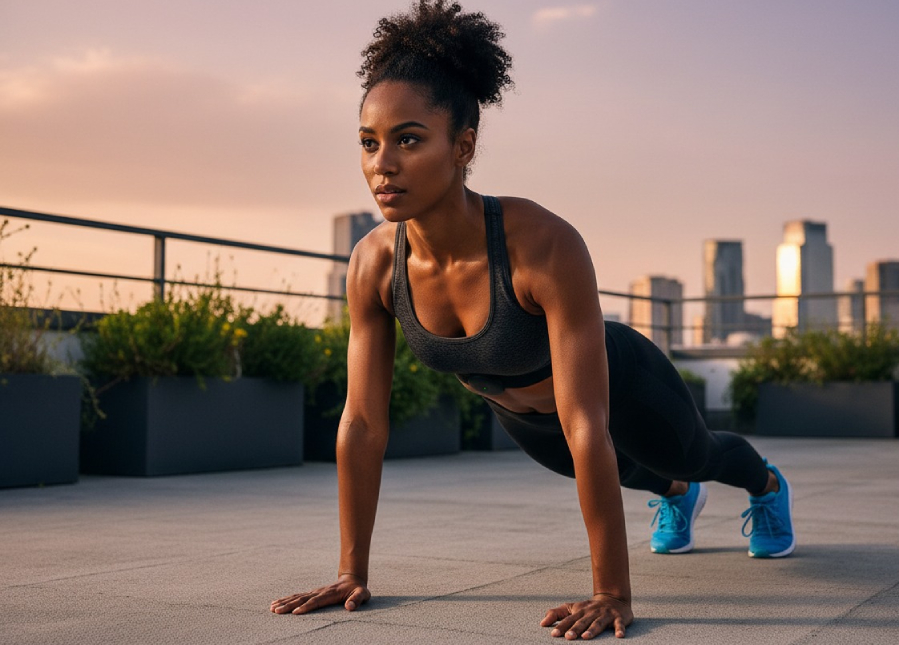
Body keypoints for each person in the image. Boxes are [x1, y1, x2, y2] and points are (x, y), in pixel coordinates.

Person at [271, 1, 794, 639]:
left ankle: (766, 486)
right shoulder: (373, 264)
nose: (383, 163)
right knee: (629, 472)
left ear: (462, 146)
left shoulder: (541, 243)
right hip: (524, 417)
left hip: (620, 384)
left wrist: (611, 593)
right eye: (368, 142)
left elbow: (587, 421)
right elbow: (361, 421)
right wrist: (351, 572)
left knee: (696, 453)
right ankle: (678, 497)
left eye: (408, 140)